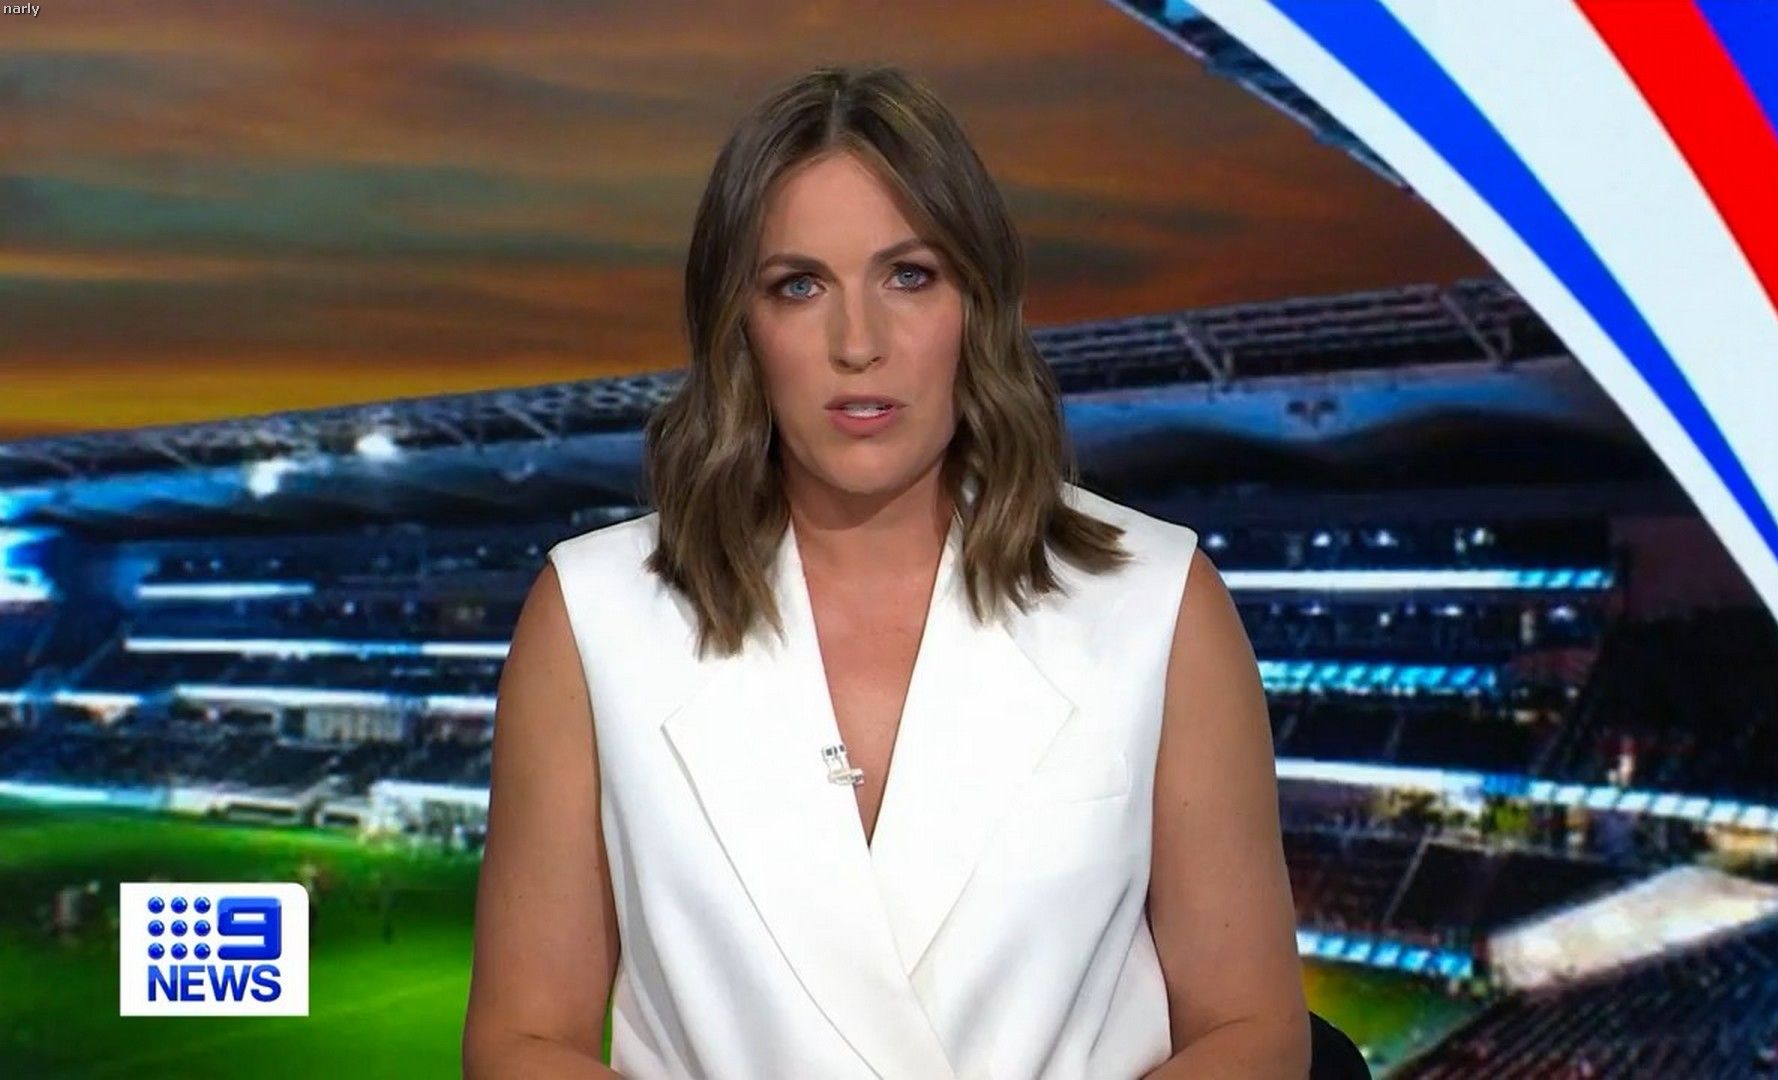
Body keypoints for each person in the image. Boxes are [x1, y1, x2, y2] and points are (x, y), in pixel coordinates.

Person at [463, 64, 1308, 1079]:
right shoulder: (593, 615)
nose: (857, 343)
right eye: (799, 285)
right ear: (740, 326)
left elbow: (1253, 1029)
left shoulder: (1160, 601)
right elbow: (521, 1041)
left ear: (977, 305)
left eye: (910, 276)